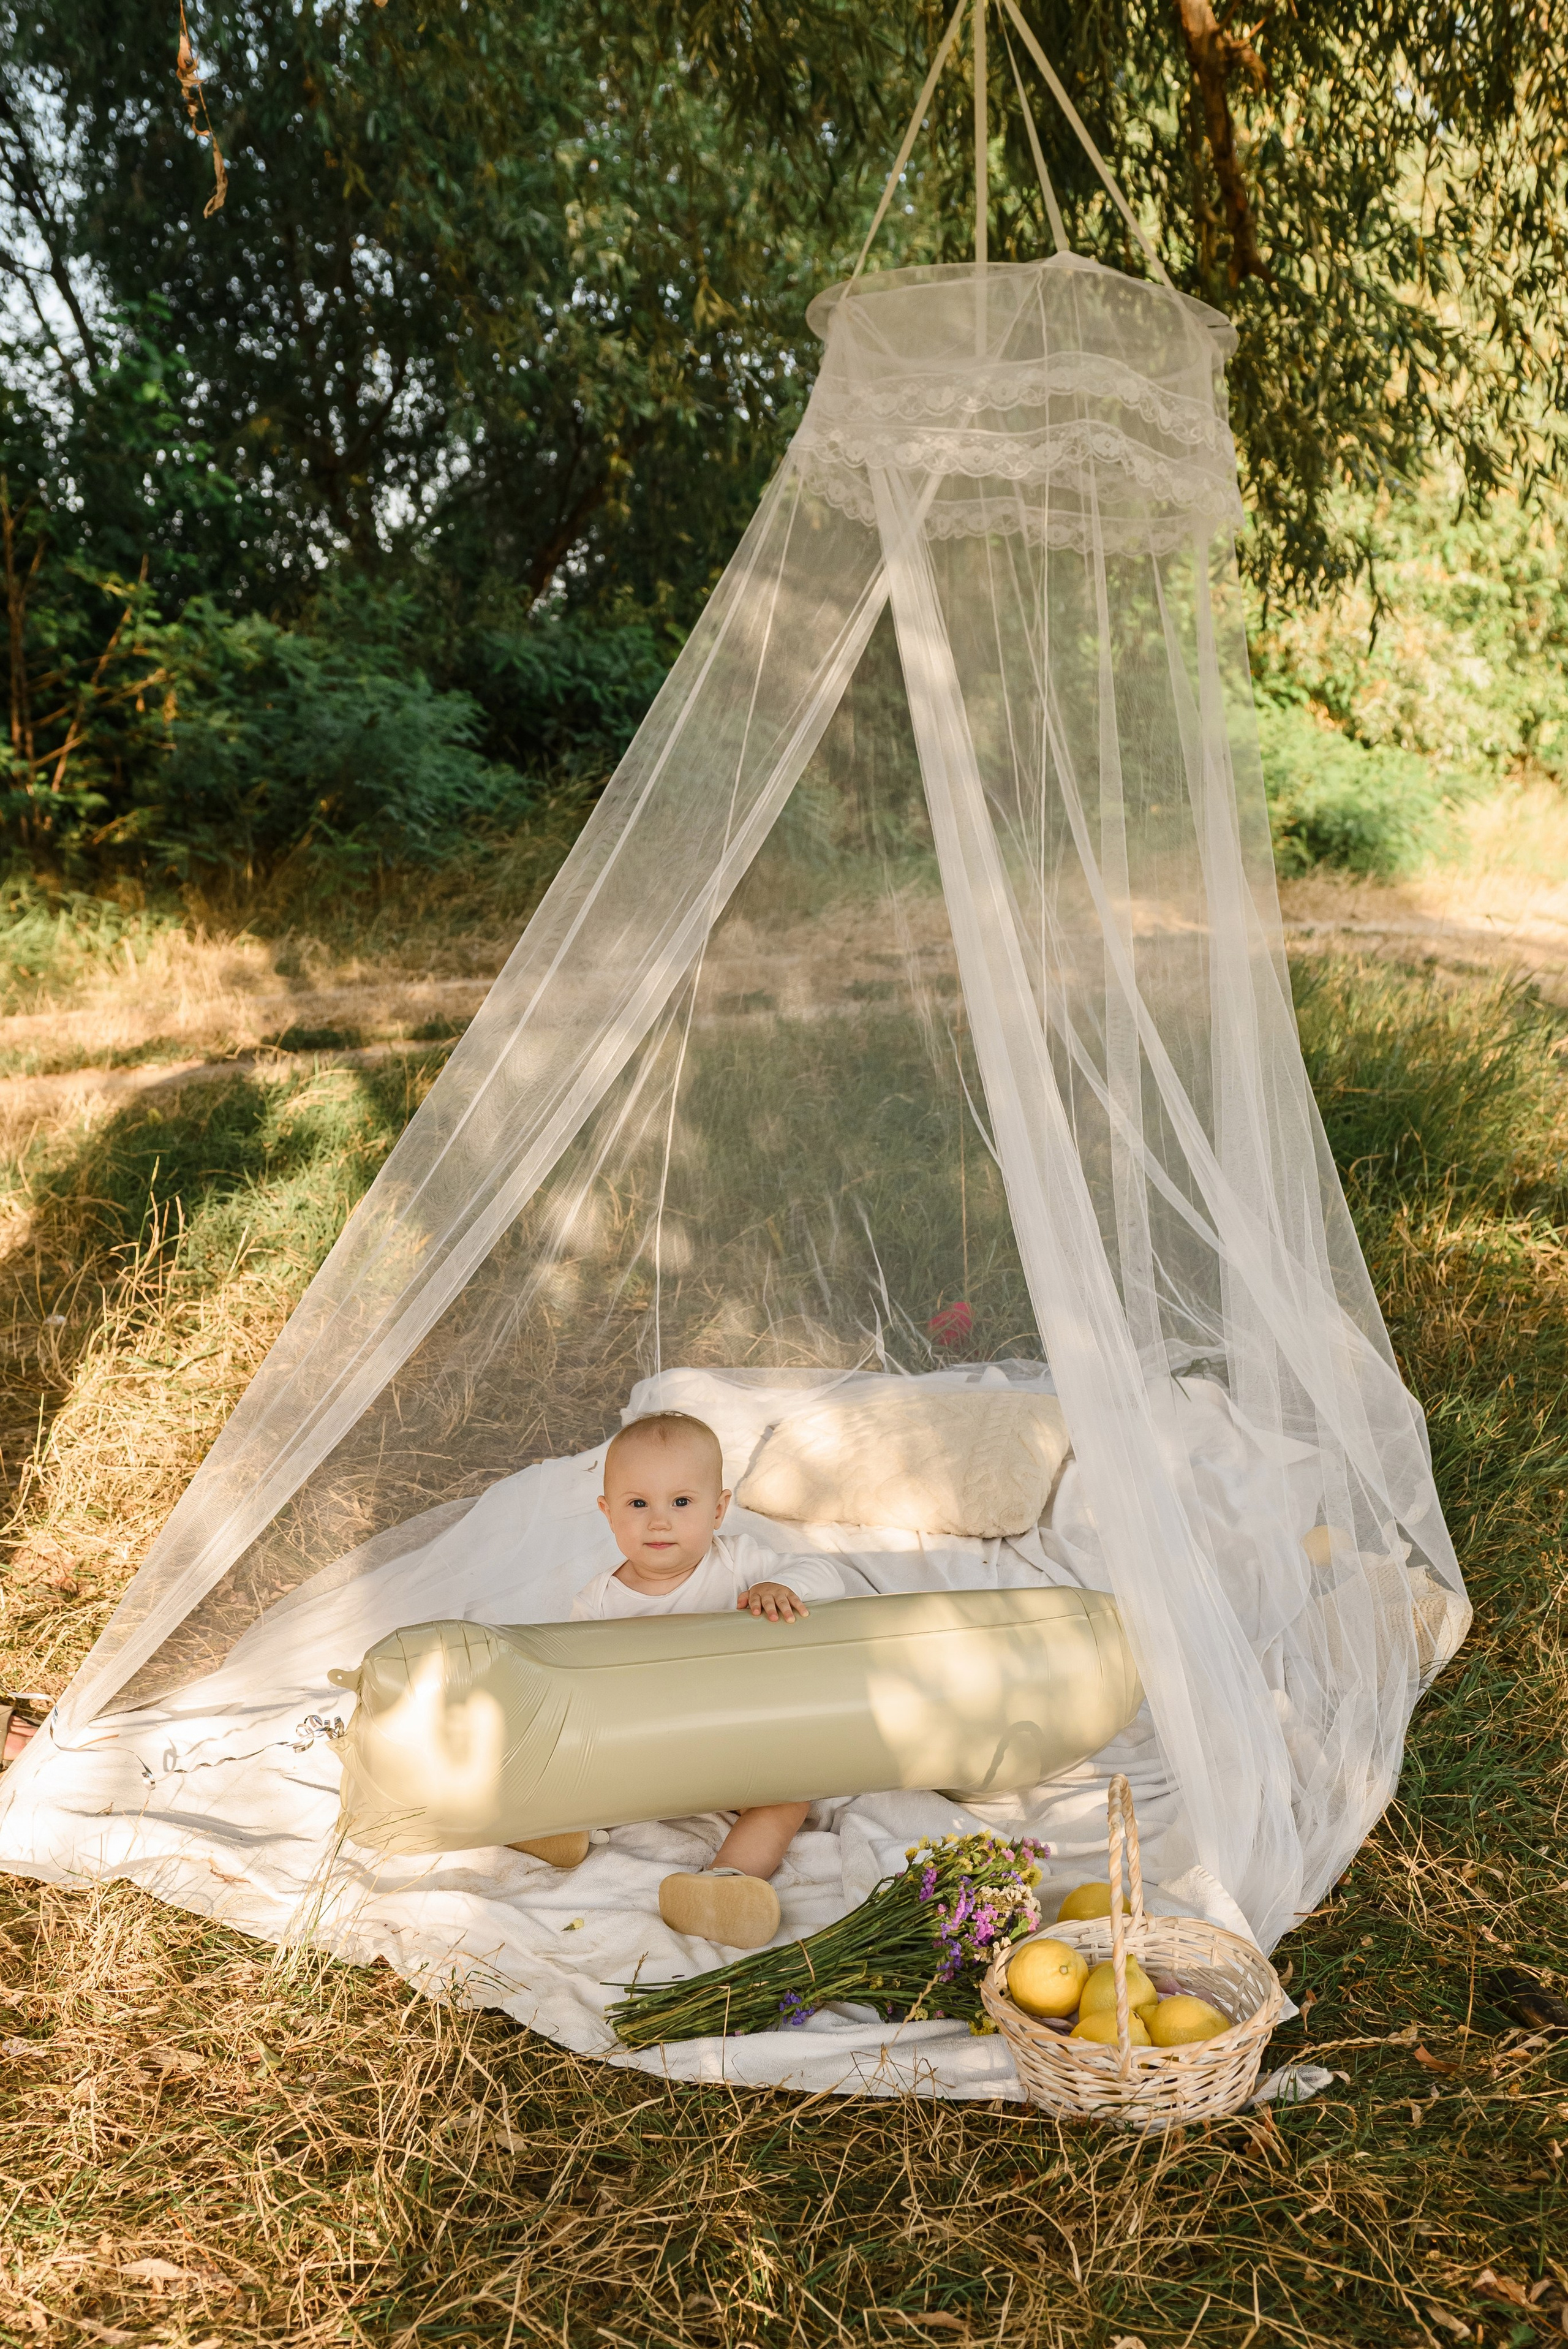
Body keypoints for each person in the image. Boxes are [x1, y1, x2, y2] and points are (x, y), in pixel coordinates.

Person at [526, 1409, 844, 1950]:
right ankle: (557, 1825)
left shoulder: (740, 1564)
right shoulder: (598, 1602)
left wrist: (781, 1587)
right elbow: (574, 1686)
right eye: (638, 1504)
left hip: (737, 1749)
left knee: (789, 1798)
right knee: (573, 1756)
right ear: (608, 1513)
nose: (659, 1522)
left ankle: (724, 1883)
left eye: (681, 1502)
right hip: (647, 1753)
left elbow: (826, 1575)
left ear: (718, 1509)